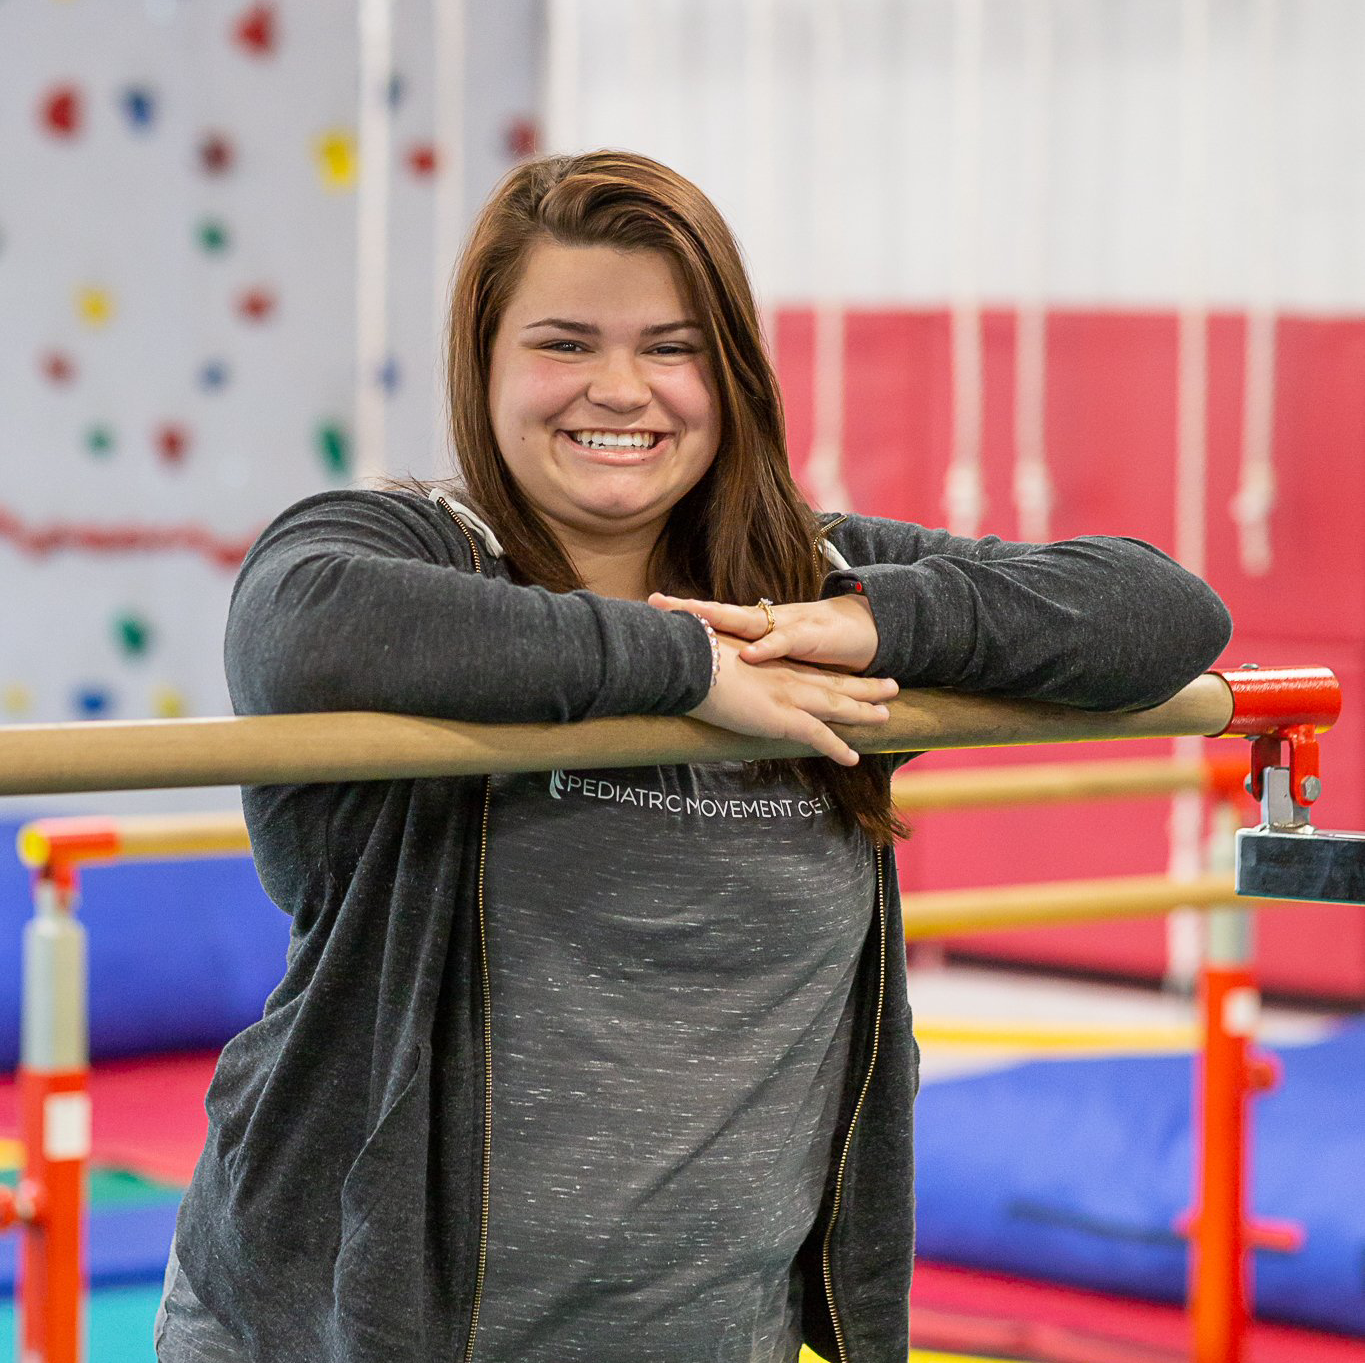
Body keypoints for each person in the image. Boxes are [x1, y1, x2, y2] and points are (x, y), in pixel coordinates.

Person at [156, 149, 1232, 1363]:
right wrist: (690, 668)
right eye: (565, 343)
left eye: (672, 347)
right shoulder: (412, 553)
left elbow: (1165, 609)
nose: (621, 390)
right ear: (486, 365)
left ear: (730, 375)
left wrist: (876, 619)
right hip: (345, 1330)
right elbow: (297, 623)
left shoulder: (809, 585)